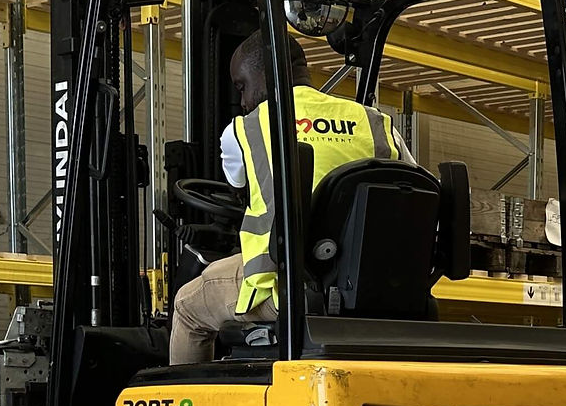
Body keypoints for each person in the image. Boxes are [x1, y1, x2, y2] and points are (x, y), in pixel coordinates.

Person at [169, 29, 413, 364]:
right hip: (373, 287)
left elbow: (240, 187)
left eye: (242, 86)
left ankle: (182, 397)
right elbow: (416, 184)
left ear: (265, 73)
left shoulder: (246, 129)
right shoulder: (376, 123)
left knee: (187, 306)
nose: (243, 101)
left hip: (285, 285)